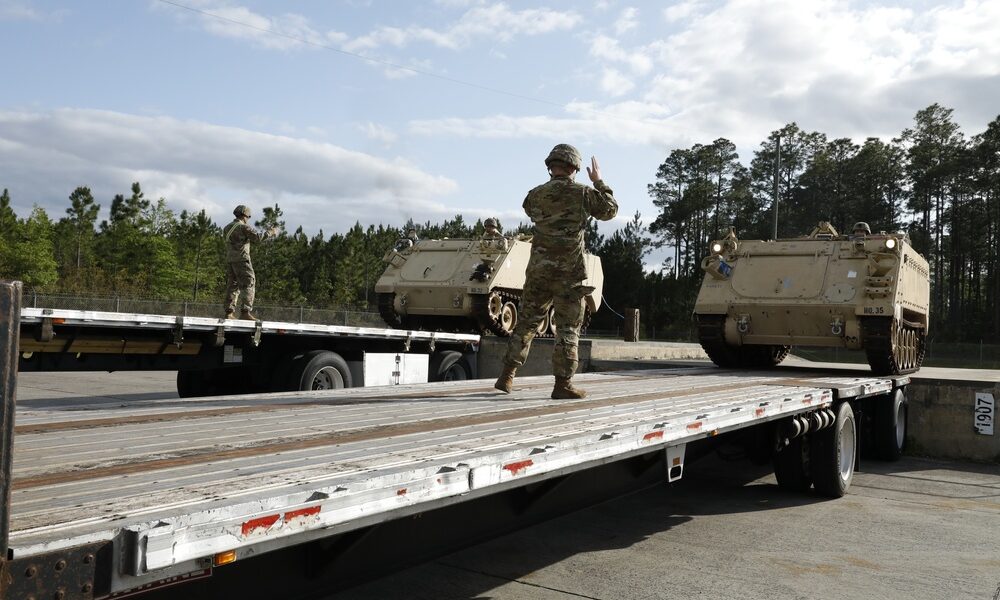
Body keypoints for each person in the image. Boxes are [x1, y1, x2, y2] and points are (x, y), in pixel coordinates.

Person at [494, 144, 618, 399]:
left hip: (538, 271)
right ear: (574, 167)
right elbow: (610, 209)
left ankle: (507, 375)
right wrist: (598, 182)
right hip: (569, 275)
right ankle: (563, 384)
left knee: (526, 323)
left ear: (551, 167)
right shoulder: (583, 193)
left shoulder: (535, 194)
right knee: (567, 329)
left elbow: (529, 210)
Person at [223, 205, 276, 320]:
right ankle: (245, 312)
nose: (248, 219)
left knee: (233, 285)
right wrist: (270, 232)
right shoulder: (243, 227)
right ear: (244, 215)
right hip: (242, 259)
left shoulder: (227, 227)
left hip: (231, 260)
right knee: (249, 282)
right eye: (248, 217)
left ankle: (229, 312)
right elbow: (257, 238)